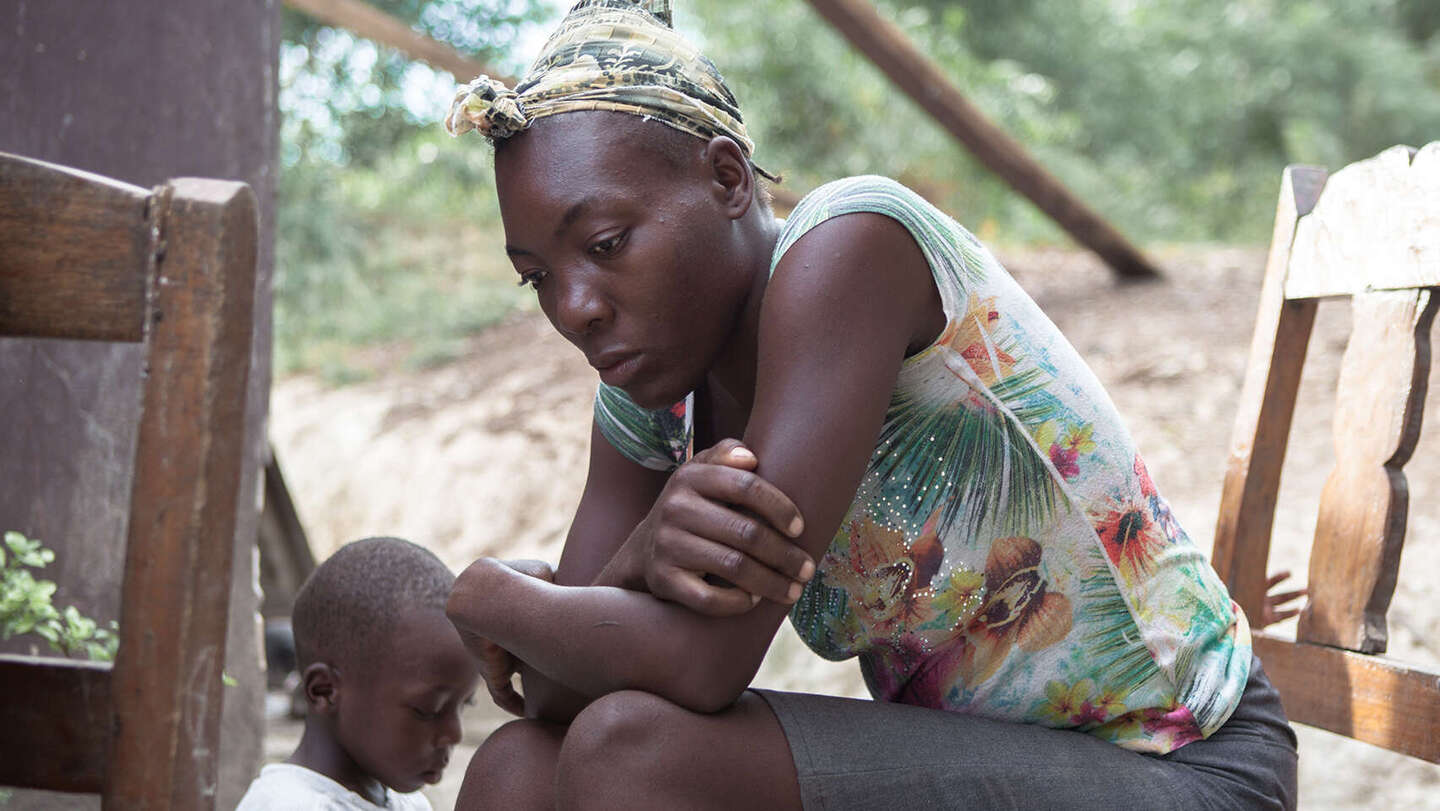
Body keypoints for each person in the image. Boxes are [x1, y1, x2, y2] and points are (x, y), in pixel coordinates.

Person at [441, 1, 1300, 808]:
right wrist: (639, 550)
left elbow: (703, 666)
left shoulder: (851, 251)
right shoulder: (650, 394)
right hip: (990, 762)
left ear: (729, 177)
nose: (576, 307)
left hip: (1181, 766)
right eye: (538, 277)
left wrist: (485, 595)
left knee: (632, 753)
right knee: (516, 769)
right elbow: (549, 690)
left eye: (605, 245)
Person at [236, 537, 481, 811]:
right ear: (325, 691)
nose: (455, 734)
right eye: (428, 710)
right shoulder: (290, 806)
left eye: (463, 706)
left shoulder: (410, 804)